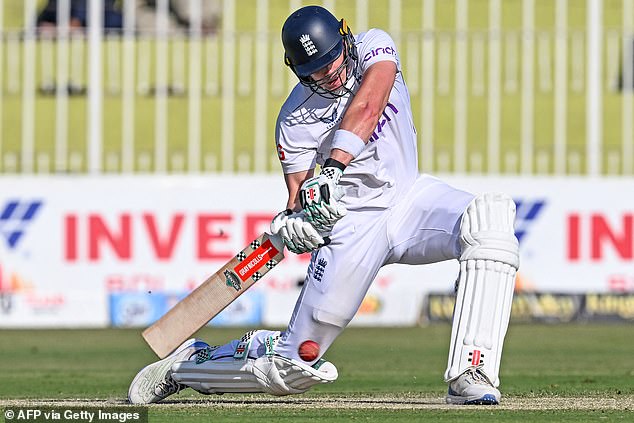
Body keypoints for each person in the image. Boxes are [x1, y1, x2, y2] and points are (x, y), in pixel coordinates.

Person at [127, 5, 520, 406]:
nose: (330, 72)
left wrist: (332, 168)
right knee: (292, 367)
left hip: (410, 199)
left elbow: (369, 104)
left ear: (345, 39)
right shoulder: (294, 121)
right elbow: (299, 198)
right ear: (298, 72)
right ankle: (189, 363)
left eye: (333, 58)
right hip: (351, 228)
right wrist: (302, 224)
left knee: (489, 220)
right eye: (316, 69)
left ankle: (471, 370)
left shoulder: (374, 46)